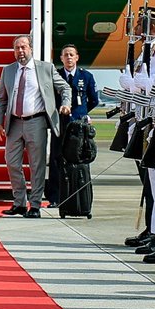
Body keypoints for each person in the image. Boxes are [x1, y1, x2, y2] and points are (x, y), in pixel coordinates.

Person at [0, 34, 71, 216]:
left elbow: (65, 87)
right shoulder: (8, 70)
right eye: (17, 48)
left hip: (36, 121)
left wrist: (66, 103)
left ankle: (35, 205)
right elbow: (0, 100)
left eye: (23, 47)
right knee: (12, 163)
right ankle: (19, 202)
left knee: (37, 165)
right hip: (14, 123)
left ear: (30, 48)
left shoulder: (45, 68)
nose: (20, 51)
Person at [50, 44, 98, 209]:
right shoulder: (55, 75)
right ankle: (55, 197)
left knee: (80, 158)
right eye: (65, 55)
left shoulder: (87, 76)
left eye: (71, 55)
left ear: (77, 57)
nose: (68, 58)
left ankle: (80, 195)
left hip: (78, 125)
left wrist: (82, 114)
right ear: (61, 59)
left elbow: (94, 100)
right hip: (60, 123)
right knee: (57, 158)